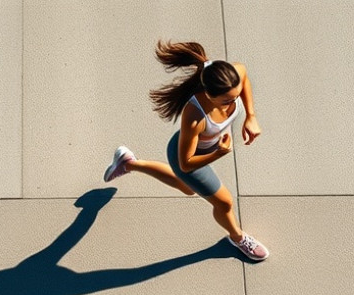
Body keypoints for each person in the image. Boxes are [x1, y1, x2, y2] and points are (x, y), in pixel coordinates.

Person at [103, 40, 269, 260]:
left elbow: (244, 75)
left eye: (236, 96)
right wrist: (217, 153)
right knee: (224, 202)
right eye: (227, 100)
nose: (233, 103)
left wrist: (251, 116)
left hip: (201, 147)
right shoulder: (194, 116)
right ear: (209, 95)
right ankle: (237, 237)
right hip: (189, 157)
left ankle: (128, 162)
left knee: (188, 188)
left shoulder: (233, 75)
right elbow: (185, 163)